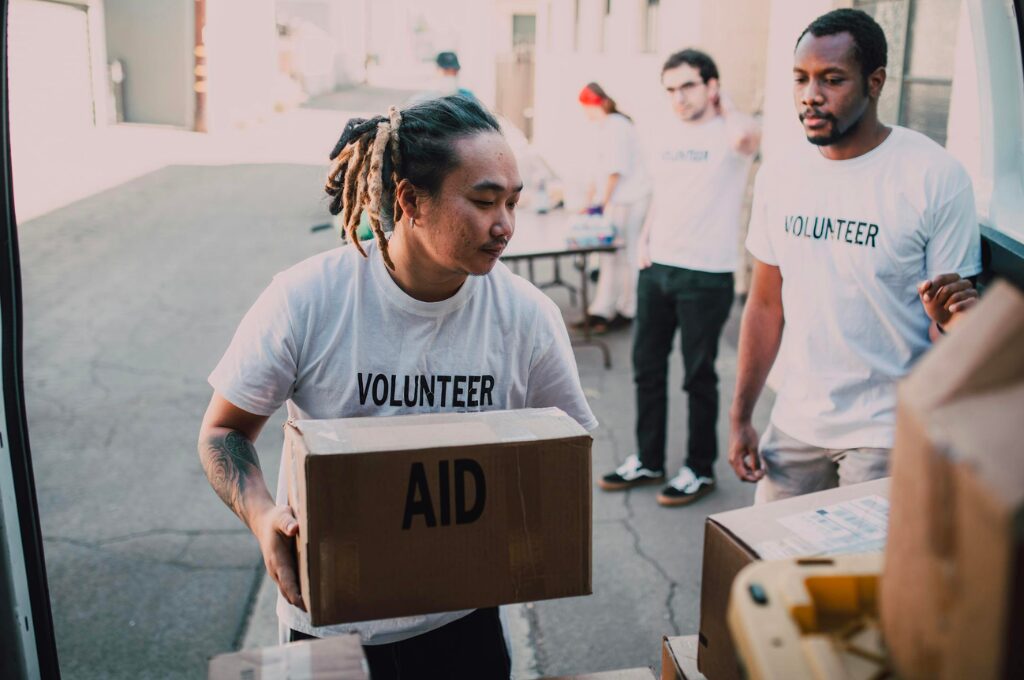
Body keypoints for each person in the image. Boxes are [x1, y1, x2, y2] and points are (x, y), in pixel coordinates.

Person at [197, 95, 597, 678]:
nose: (505, 225)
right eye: (484, 201)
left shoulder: (527, 316)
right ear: (410, 199)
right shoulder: (307, 299)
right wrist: (263, 519)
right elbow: (223, 431)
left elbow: (566, 448)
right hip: (327, 623)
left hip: (463, 621)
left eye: (512, 202)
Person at [728, 9, 981, 502]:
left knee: (862, 579)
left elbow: (950, 328)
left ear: (875, 82)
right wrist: (741, 417)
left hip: (887, 435)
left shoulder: (934, 177)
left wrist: (949, 320)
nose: (810, 95)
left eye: (832, 79)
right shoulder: (780, 175)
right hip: (795, 424)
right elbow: (764, 306)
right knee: (775, 569)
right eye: (800, 78)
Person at [598, 49, 760, 507]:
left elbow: (749, 135)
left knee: (697, 376)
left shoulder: (731, 134)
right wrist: (645, 244)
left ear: (711, 85)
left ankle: (699, 469)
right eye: (670, 89)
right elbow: (663, 195)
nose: (678, 97)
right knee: (646, 369)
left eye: (687, 86)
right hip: (658, 267)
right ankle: (649, 460)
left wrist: (721, 102)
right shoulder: (662, 133)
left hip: (707, 275)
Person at [575, 82, 652, 333]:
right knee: (611, 257)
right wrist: (591, 203)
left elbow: (614, 171)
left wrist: (601, 204)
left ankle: (627, 309)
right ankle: (602, 309)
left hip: (629, 199)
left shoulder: (617, 127)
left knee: (625, 257)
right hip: (619, 200)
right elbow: (598, 171)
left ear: (595, 104)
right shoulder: (606, 127)